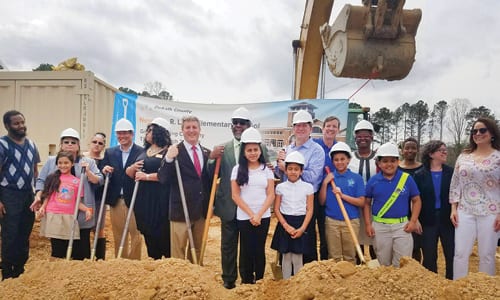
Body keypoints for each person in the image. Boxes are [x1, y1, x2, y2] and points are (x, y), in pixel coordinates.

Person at [34, 128, 102, 260]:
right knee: (59, 249)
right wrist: (38, 195)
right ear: (61, 145)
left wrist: (88, 172)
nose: (70, 144)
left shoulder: (89, 162)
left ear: (78, 146)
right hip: (59, 214)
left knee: (81, 252)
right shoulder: (52, 161)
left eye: (73, 142)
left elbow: (99, 180)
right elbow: (42, 181)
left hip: (81, 213)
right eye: (66, 142)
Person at [449, 117, 500, 279]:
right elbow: (455, 183)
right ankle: (458, 289)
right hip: (465, 211)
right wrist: (453, 208)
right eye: (474, 131)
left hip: (491, 212)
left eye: (482, 130)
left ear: (492, 133)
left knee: (487, 255)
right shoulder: (464, 156)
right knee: (460, 253)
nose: (477, 134)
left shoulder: (498, 157)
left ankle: (485, 291)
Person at [158, 115, 212, 263]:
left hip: (201, 211)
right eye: (187, 127)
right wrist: (168, 159)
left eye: (194, 127)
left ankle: (195, 280)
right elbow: (163, 178)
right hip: (180, 210)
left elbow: (210, 179)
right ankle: (178, 283)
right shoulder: (174, 151)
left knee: (198, 250)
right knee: (178, 252)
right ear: (182, 130)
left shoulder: (207, 153)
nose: (191, 130)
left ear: (200, 130)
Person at [208, 107, 252, 289]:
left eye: (242, 123)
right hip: (227, 205)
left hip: (249, 207)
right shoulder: (222, 149)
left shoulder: (258, 147)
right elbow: (211, 175)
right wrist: (211, 158)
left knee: (247, 245)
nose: (238, 126)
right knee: (228, 245)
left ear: (249, 125)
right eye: (235, 123)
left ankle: (247, 277)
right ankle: (229, 278)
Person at [276, 110, 324, 263]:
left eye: (305, 125)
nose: (301, 129)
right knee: (287, 235)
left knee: (306, 236)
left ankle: (308, 272)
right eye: (298, 125)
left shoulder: (317, 150)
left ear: (311, 128)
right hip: (288, 199)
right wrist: (278, 165)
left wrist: (287, 168)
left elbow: (312, 177)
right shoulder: (288, 149)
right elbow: (280, 174)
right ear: (293, 128)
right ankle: (287, 273)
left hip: (307, 199)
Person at [363, 142, 422, 267]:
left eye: (392, 161)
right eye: (385, 161)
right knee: (383, 264)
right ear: (379, 163)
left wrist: (413, 221)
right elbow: (367, 204)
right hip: (380, 227)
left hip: (402, 227)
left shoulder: (407, 179)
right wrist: (368, 224)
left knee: (402, 263)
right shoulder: (373, 181)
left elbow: (416, 200)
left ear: (398, 162)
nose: (389, 164)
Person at [231, 127, 275, 283]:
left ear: (260, 150)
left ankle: (260, 280)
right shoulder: (237, 170)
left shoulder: (266, 170)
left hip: (263, 217)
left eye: (255, 149)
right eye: (249, 150)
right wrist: (251, 214)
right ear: (244, 151)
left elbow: (271, 194)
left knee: (259, 249)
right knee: (246, 249)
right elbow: (235, 195)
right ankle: (246, 280)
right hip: (244, 217)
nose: (253, 153)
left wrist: (259, 214)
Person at [0, 110, 40, 280]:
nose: (21, 126)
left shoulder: (31, 144)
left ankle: (20, 269)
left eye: (22, 122)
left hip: (27, 195)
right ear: (7, 126)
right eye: (16, 123)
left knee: (25, 232)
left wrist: (37, 193)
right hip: (8, 194)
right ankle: (7, 272)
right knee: (10, 233)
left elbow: (35, 171)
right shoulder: (2, 145)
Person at [126, 118, 172, 259]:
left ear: (158, 132)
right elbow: (129, 173)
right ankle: (153, 259)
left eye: (150, 130)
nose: (147, 133)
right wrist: (133, 168)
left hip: (160, 199)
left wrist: (146, 177)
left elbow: (167, 175)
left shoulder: (168, 152)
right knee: (147, 231)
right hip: (143, 199)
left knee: (162, 233)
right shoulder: (144, 151)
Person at [101, 118, 144, 259]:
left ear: (131, 134)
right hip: (116, 200)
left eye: (125, 133)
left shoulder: (141, 152)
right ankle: (121, 262)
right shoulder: (110, 152)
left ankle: (134, 264)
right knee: (119, 234)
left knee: (136, 233)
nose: (122, 136)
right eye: (119, 133)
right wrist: (104, 169)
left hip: (135, 200)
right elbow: (103, 168)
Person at [38, 151, 93, 259]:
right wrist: (43, 207)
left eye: (66, 163)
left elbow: (77, 201)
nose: (63, 165)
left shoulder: (77, 181)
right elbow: (48, 196)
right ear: (57, 164)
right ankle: (56, 267)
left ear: (72, 164)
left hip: (69, 216)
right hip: (54, 214)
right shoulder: (52, 178)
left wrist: (87, 209)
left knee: (69, 242)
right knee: (56, 244)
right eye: (60, 163)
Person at [413, 140, 454, 279]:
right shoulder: (419, 175)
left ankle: (452, 283)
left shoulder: (452, 172)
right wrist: (415, 219)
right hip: (427, 219)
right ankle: (431, 282)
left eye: (445, 149)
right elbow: (414, 198)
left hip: (448, 219)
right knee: (429, 254)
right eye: (440, 150)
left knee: (451, 252)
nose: (444, 152)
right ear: (431, 154)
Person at [319, 142, 365, 263]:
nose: (339, 162)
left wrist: (342, 196)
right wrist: (325, 183)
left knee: (350, 256)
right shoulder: (329, 178)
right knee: (334, 257)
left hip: (351, 221)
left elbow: (361, 202)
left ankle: (350, 281)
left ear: (348, 160)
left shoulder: (356, 178)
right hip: (332, 222)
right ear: (333, 162)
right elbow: (322, 202)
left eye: (342, 159)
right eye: (336, 160)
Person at [271, 151, 314, 279]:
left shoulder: (308, 187)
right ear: (285, 170)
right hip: (285, 223)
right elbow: (277, 209)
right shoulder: (281, 187)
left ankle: (297, 284)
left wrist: (302, 229)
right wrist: (285, 225)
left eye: (296, 169)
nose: (293, 172)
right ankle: (286, 283)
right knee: (286, 256)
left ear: (301, 171)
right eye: (290, 169)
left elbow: (310, 210)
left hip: (301, 223)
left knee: (297, 256)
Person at [348, 119, 378, 263]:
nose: (363, 139)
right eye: (359, 136)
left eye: (366, 136)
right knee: (356, 240)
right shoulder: (350, 157)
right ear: (355, 138)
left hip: (375, 206)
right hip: (354, 205)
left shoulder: (378, 158)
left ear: (372, 137)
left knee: (375, 241)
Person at [313, 115, 341, 260]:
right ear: (323, 128)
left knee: (326, 232)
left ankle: (325, 263)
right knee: (311, 231)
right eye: (328, 126)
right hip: (312, 194)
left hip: (331, 196)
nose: (330, 129)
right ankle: (310, 264)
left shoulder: (339, 149)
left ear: (338, 130)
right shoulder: (314, 145)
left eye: (334, 126)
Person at [398, 137, 424, 262]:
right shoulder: (396, 168)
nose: (410, 150)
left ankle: (416, 273)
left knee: (416, 246)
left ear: (417, 150)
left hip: (419, 211)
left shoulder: (423, 168)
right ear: (402, 151)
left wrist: (416, 218)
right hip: (401, 211)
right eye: (407, 148)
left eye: (413, 148)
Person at [83, 132, 107, 260]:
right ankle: (84, 256)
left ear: (103, 146)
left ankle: (100, 258)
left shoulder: (105, 160)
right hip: (84, 198)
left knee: (99, 228)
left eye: (100, 143)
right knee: (84, 227)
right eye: (94, 142)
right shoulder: (82, 158)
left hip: (99, 198)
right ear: (89, 143)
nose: (97, 145)